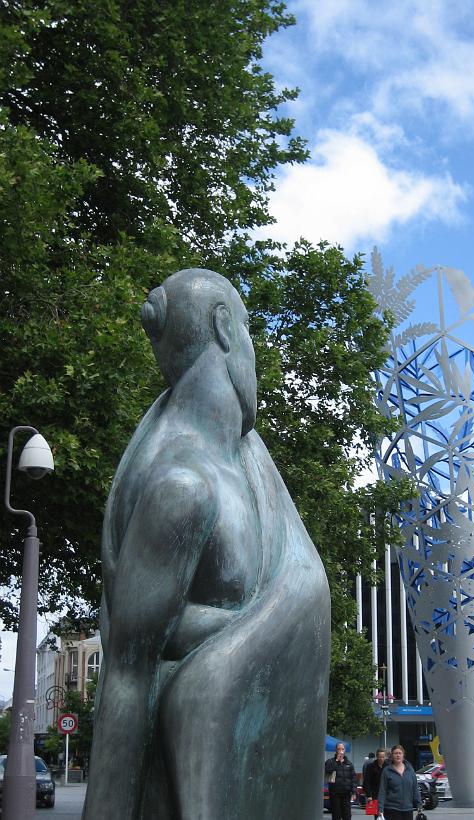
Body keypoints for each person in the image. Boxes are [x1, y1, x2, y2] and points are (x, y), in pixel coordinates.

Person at [82, 269, 331, 819]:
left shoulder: (244, 461)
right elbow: (127, 675)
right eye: (249, 333)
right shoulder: (182, 485)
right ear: (224, 328)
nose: (255, 357)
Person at [377, 744, 422, 820]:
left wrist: (419, 804)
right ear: (392, 755)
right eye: (395, 753)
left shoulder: (410, 770)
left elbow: (415, 788)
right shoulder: (387, 771)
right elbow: (382, 791)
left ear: (403, 755)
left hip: (408, 809)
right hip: (392, 809)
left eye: (400, 753)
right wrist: (380, 808)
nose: (398, 755)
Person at [325, 741, 356, 820]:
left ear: (345, 750)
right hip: (335, 794)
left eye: (342, 749)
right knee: (336, 816)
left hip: (346, 793)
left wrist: (354, 791)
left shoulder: (349, 764)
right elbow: (328, 771)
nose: (341, 751)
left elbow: (353, 778)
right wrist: (337, 761)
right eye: (339, 749)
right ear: (336, 750)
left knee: (347, 816)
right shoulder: (330, 761)